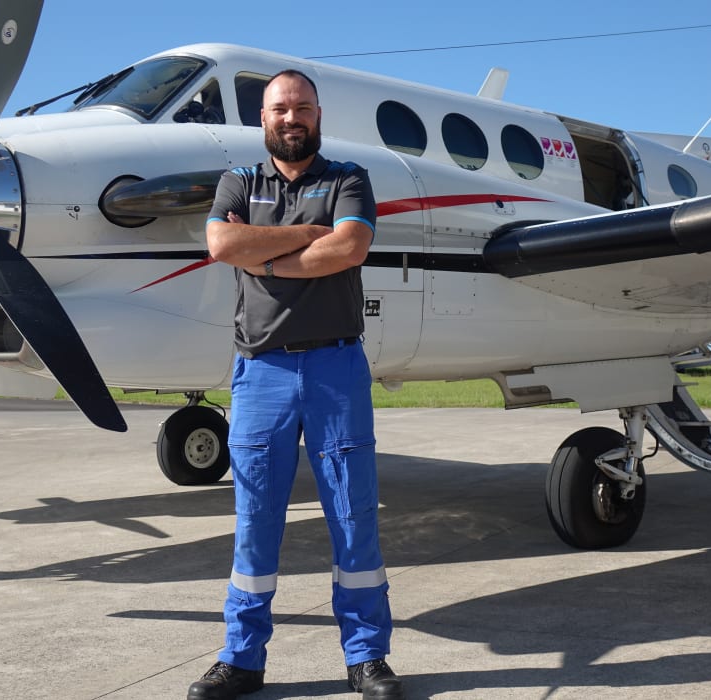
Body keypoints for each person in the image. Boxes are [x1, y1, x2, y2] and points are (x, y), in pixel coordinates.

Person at [188, 69, 404, 700]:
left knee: (352, 512)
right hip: (261, 372)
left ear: (317, 115)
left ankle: (366, 657)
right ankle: (242, 658)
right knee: (255, 517)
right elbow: (221, 243)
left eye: (302, 108)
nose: (292, 118)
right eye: (280, 109)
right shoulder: (238, 181)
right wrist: (309, 235)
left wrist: (271, 258)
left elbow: (351, 247)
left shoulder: (348, 178)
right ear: (263, 119)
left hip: (336, 368)